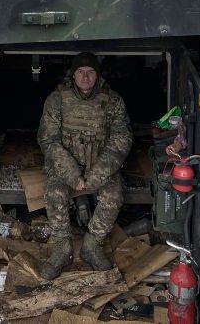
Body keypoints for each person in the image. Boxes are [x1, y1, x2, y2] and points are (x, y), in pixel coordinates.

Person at [36, 52, 133, 280]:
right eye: (81, 72)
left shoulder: (113, 101)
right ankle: (62, 247)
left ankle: (92, 245)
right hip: (65, 167)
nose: (86, 77)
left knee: (113, 195)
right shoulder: (57, 99)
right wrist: (72, 175)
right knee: (54, 193)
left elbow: (122, 138)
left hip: (100, 166)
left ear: (97, 75)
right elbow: (48, 140)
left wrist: (97, 176)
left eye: (90, 72)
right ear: (74, 74)